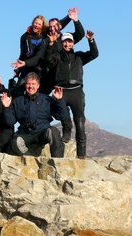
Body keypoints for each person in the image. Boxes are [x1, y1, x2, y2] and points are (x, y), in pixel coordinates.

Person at [45, 31, 99, 159]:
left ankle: (81, 155)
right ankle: (67, 132)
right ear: (62, 43)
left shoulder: (79, 57)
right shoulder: (57, 56)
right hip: (61, 90)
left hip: (77, 91)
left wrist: (91, 41)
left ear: (73, 43)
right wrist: (51, 44)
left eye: (70, 41)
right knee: (64, 116)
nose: (67, 44)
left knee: (80, 123)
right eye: (65, 41)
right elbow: (48, 60)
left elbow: (94, 54)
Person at [1, 72, 68, 157]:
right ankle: (30, 160)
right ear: (25, 85)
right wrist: (6, 108)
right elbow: (9, 122)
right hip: (25, 135)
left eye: (33, 84)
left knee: (53, 131)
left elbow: (61, 116)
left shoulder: (47, 100)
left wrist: (59, 101)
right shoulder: (18, 101)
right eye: (28, 84)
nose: (31, 86)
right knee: (14, 141)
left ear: (38, 85)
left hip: (42, 133)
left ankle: (58, 163)